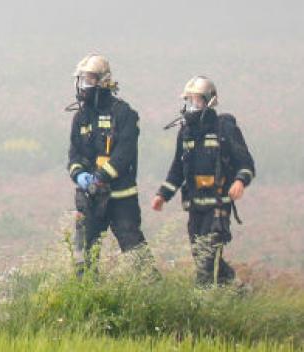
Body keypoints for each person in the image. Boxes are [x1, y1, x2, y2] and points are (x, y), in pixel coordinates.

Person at [152, 76, 256, 286]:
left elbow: (246, 164)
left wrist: (240, 181)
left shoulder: (224, 129)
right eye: (189, 100)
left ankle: (202, 302)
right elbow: (177, 169)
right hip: (194, 206)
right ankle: (236, 288)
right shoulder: (186, 132)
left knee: (206, 259)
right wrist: (162, 195)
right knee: (201, 255)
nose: (192, 105)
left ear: (209, 101)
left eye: (197, 100)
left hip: (218, 206)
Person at [66, 53, 149, 272]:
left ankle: (153, 294)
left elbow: (124, 153)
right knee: (83, 257)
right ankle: (88, 299)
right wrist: (80, 176)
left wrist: (101, 177)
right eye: (81, 79)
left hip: (121, 198)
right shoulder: (80, 117)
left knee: (135, 253)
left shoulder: (124, 114)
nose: (84, 85)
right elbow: (74, 157)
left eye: (90, 79)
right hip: (89, 198)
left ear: (103, 81)